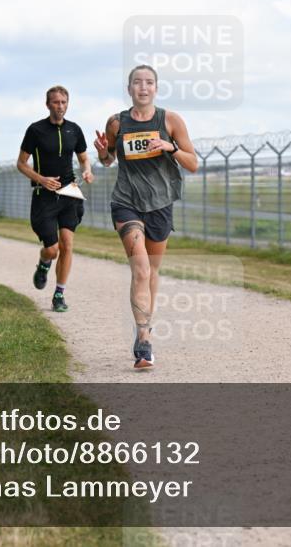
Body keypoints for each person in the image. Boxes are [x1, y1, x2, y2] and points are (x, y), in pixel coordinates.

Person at [93, 64, 197, 370]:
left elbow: (193, 163)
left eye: (149, 82)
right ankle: (144, 341)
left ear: (156, 88)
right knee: (139, 270)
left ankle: (146, 328)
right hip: (126, 202)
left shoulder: (171, 120)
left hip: (161, 204)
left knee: (151, 271)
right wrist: (102, 153)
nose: (143, 87)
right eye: (137, 82)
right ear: (129, 89)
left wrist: (170, 147)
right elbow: (108, 159)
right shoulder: (116, 123)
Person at [16, 85, 93, 312]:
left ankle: (59, 294)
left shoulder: (75, 130)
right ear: (48, 104)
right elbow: (21, 164)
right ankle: (44, 264)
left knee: (68, 244)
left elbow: (83, 159)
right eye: (56, 102)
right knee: (52, 249)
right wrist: (41, 179)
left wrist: (87, 171)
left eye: (63, 102)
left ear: (68, 104)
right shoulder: (36, 130)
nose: (60, 106)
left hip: (69, 193)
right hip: (44, 197)